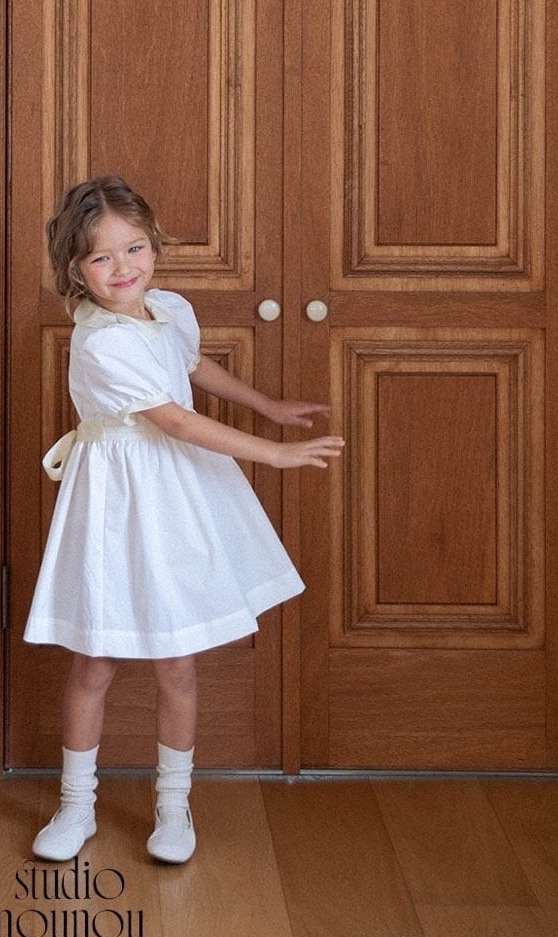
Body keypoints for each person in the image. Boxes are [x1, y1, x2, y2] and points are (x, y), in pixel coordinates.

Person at [23, 175, 344, 866]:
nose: (123, 267)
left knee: (178, 658)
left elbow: (191, 368)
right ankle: (76, 804)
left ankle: (174, 802)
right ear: (76, 269)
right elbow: (174, 420)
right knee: (95, 659)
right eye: (102, 257)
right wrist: (274, 454)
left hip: (176, 498)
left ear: (154, 244)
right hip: (116, 505)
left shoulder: (168, 310)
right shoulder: (101, 342)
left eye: (134, 248)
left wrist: (268, 406)